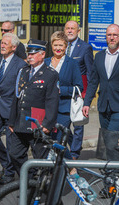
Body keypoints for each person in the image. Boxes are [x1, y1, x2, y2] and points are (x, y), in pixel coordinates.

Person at [82, 24, 119, 161]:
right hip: (103, 106)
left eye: (115, 35)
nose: (112, 38)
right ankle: (112, 169)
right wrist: (87, 102)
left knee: (113, 140)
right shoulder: (99, 56)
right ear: (106, 37)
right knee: (106, 140)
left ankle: (115, 172)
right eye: (109, 35)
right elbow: (93, 82)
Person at [8, 39, 59, 174]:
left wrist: (48, 124)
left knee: (41, 158)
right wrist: (11, 121)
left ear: (42, 55)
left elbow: (52, 101)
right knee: (14, 154)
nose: (29, 56)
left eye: (33, 54)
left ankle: (44, 187)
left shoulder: (50, 74)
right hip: (21, 121)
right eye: (28, 53)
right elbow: (16, 97)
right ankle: (29, 181)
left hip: (38, 122)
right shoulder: (23, 72)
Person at [0, 33, 27, 184]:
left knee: (12, 145)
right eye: (1, 43)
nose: (1, 46)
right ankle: (7, 164)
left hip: (11, 110)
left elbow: (20, 92)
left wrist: (17, 114)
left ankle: (10, 174)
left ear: (14, 47)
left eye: (5, 44)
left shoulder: (20, 65)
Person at [44, 31, 83, 161]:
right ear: (51, 45)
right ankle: (51, 170)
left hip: (63, 109)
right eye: (55, 45)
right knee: (46, 141)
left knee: (58, 141)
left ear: (66, 46)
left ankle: (70, 168)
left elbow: (79, 87)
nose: (58, 48)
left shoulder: (72, 63)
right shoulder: (45, 62)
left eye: (61, 45)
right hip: (46, 109)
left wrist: (62, 90)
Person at [64, 20, 93, 160]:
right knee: (63, 123)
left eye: (72, 28)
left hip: (79, 92)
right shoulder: (60, 46)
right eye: (67, 28)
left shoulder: (85, 48)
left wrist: (87, 95)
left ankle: (75, 153)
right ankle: (72, 145)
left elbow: (89, 72)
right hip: (63, 91)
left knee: (78, 124)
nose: (70, 31)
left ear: (78, 31)